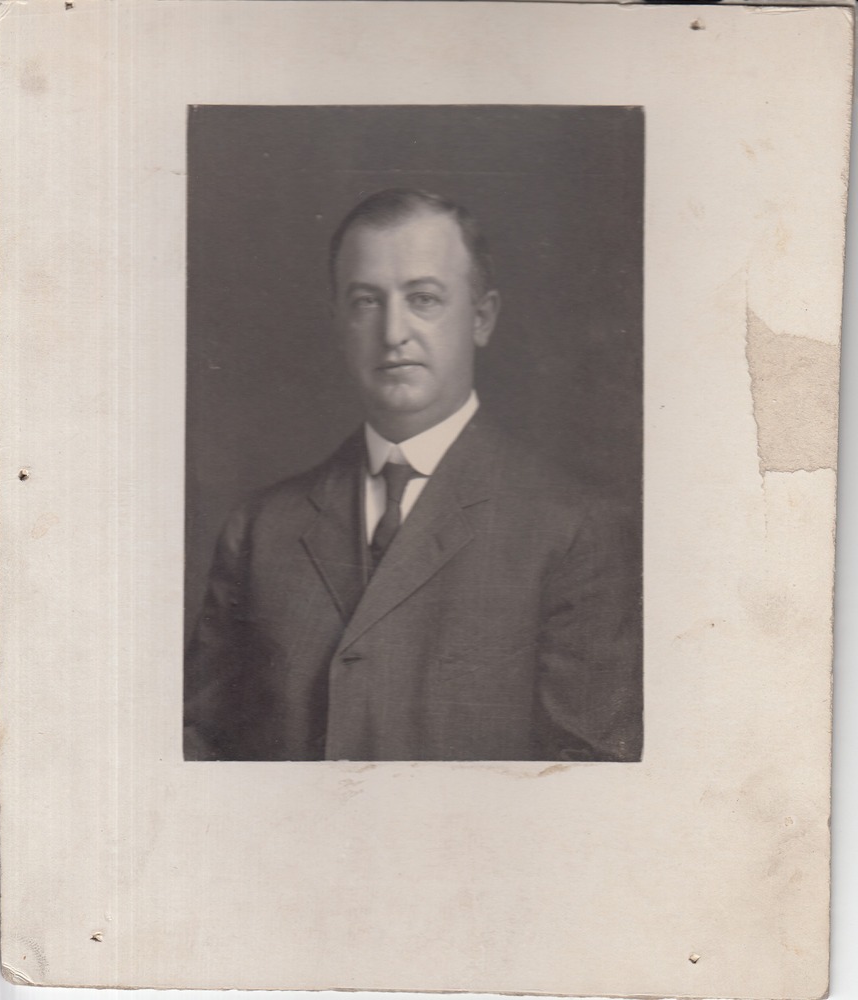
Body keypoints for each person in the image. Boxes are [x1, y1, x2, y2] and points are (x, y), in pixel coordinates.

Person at [184, 188, 642, 762]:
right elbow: (198, 756)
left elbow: (588, 776)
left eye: (423, 299)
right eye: (366, 302)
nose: (393, 332)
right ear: (339, 321)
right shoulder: (259, 530)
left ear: (481, 318)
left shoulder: (573, 529)